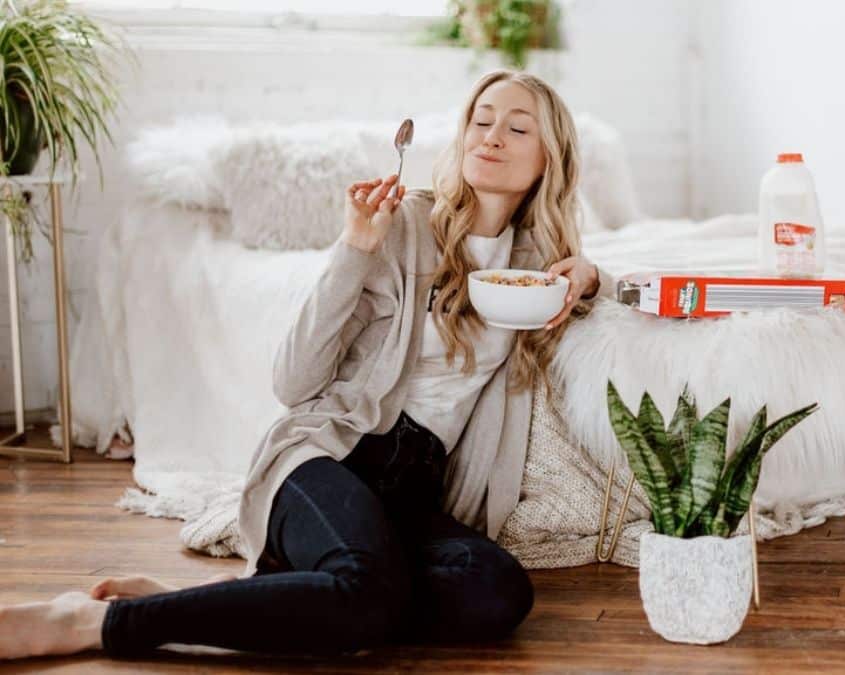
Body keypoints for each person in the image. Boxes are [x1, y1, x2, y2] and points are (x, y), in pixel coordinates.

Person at [0, 69, 614, 661]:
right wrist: (354, 251)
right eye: (482, 120)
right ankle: (95, 622)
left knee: (497, 593)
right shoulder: (400, 226)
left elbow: (607, 291)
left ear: (548, 159)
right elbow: (293, 382)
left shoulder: (536, 264)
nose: (492, 137)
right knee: (367, 596)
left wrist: (587, 276)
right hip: (330, 456)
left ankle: (247, 604)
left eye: (517, 128)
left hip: (417, 487)